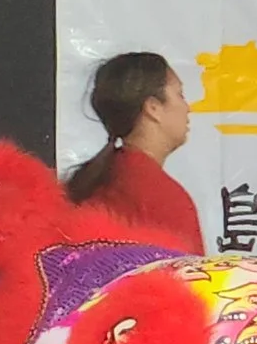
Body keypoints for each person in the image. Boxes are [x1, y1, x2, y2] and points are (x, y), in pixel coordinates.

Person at [65, 51, 201, 253]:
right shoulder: (161, 196)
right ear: (153, 108)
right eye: (180, 95)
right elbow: (195, 279)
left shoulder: (105, 177)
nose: (187, 108)